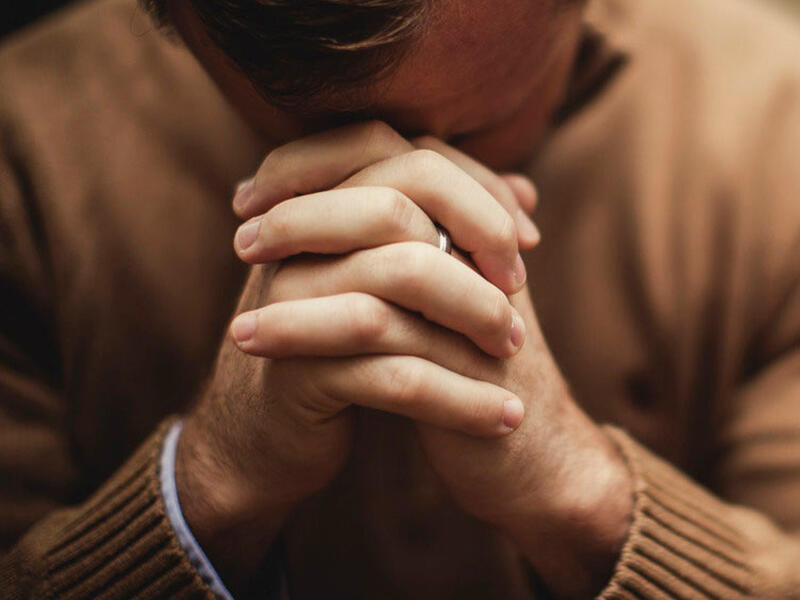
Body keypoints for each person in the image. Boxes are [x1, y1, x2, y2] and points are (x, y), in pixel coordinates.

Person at [0, 0, 799, 597]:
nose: (408, 193)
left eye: (480, 127)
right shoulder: (25, 156)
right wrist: (209, 486)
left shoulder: (776, 129)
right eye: (319, 132)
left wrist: (587, 499)